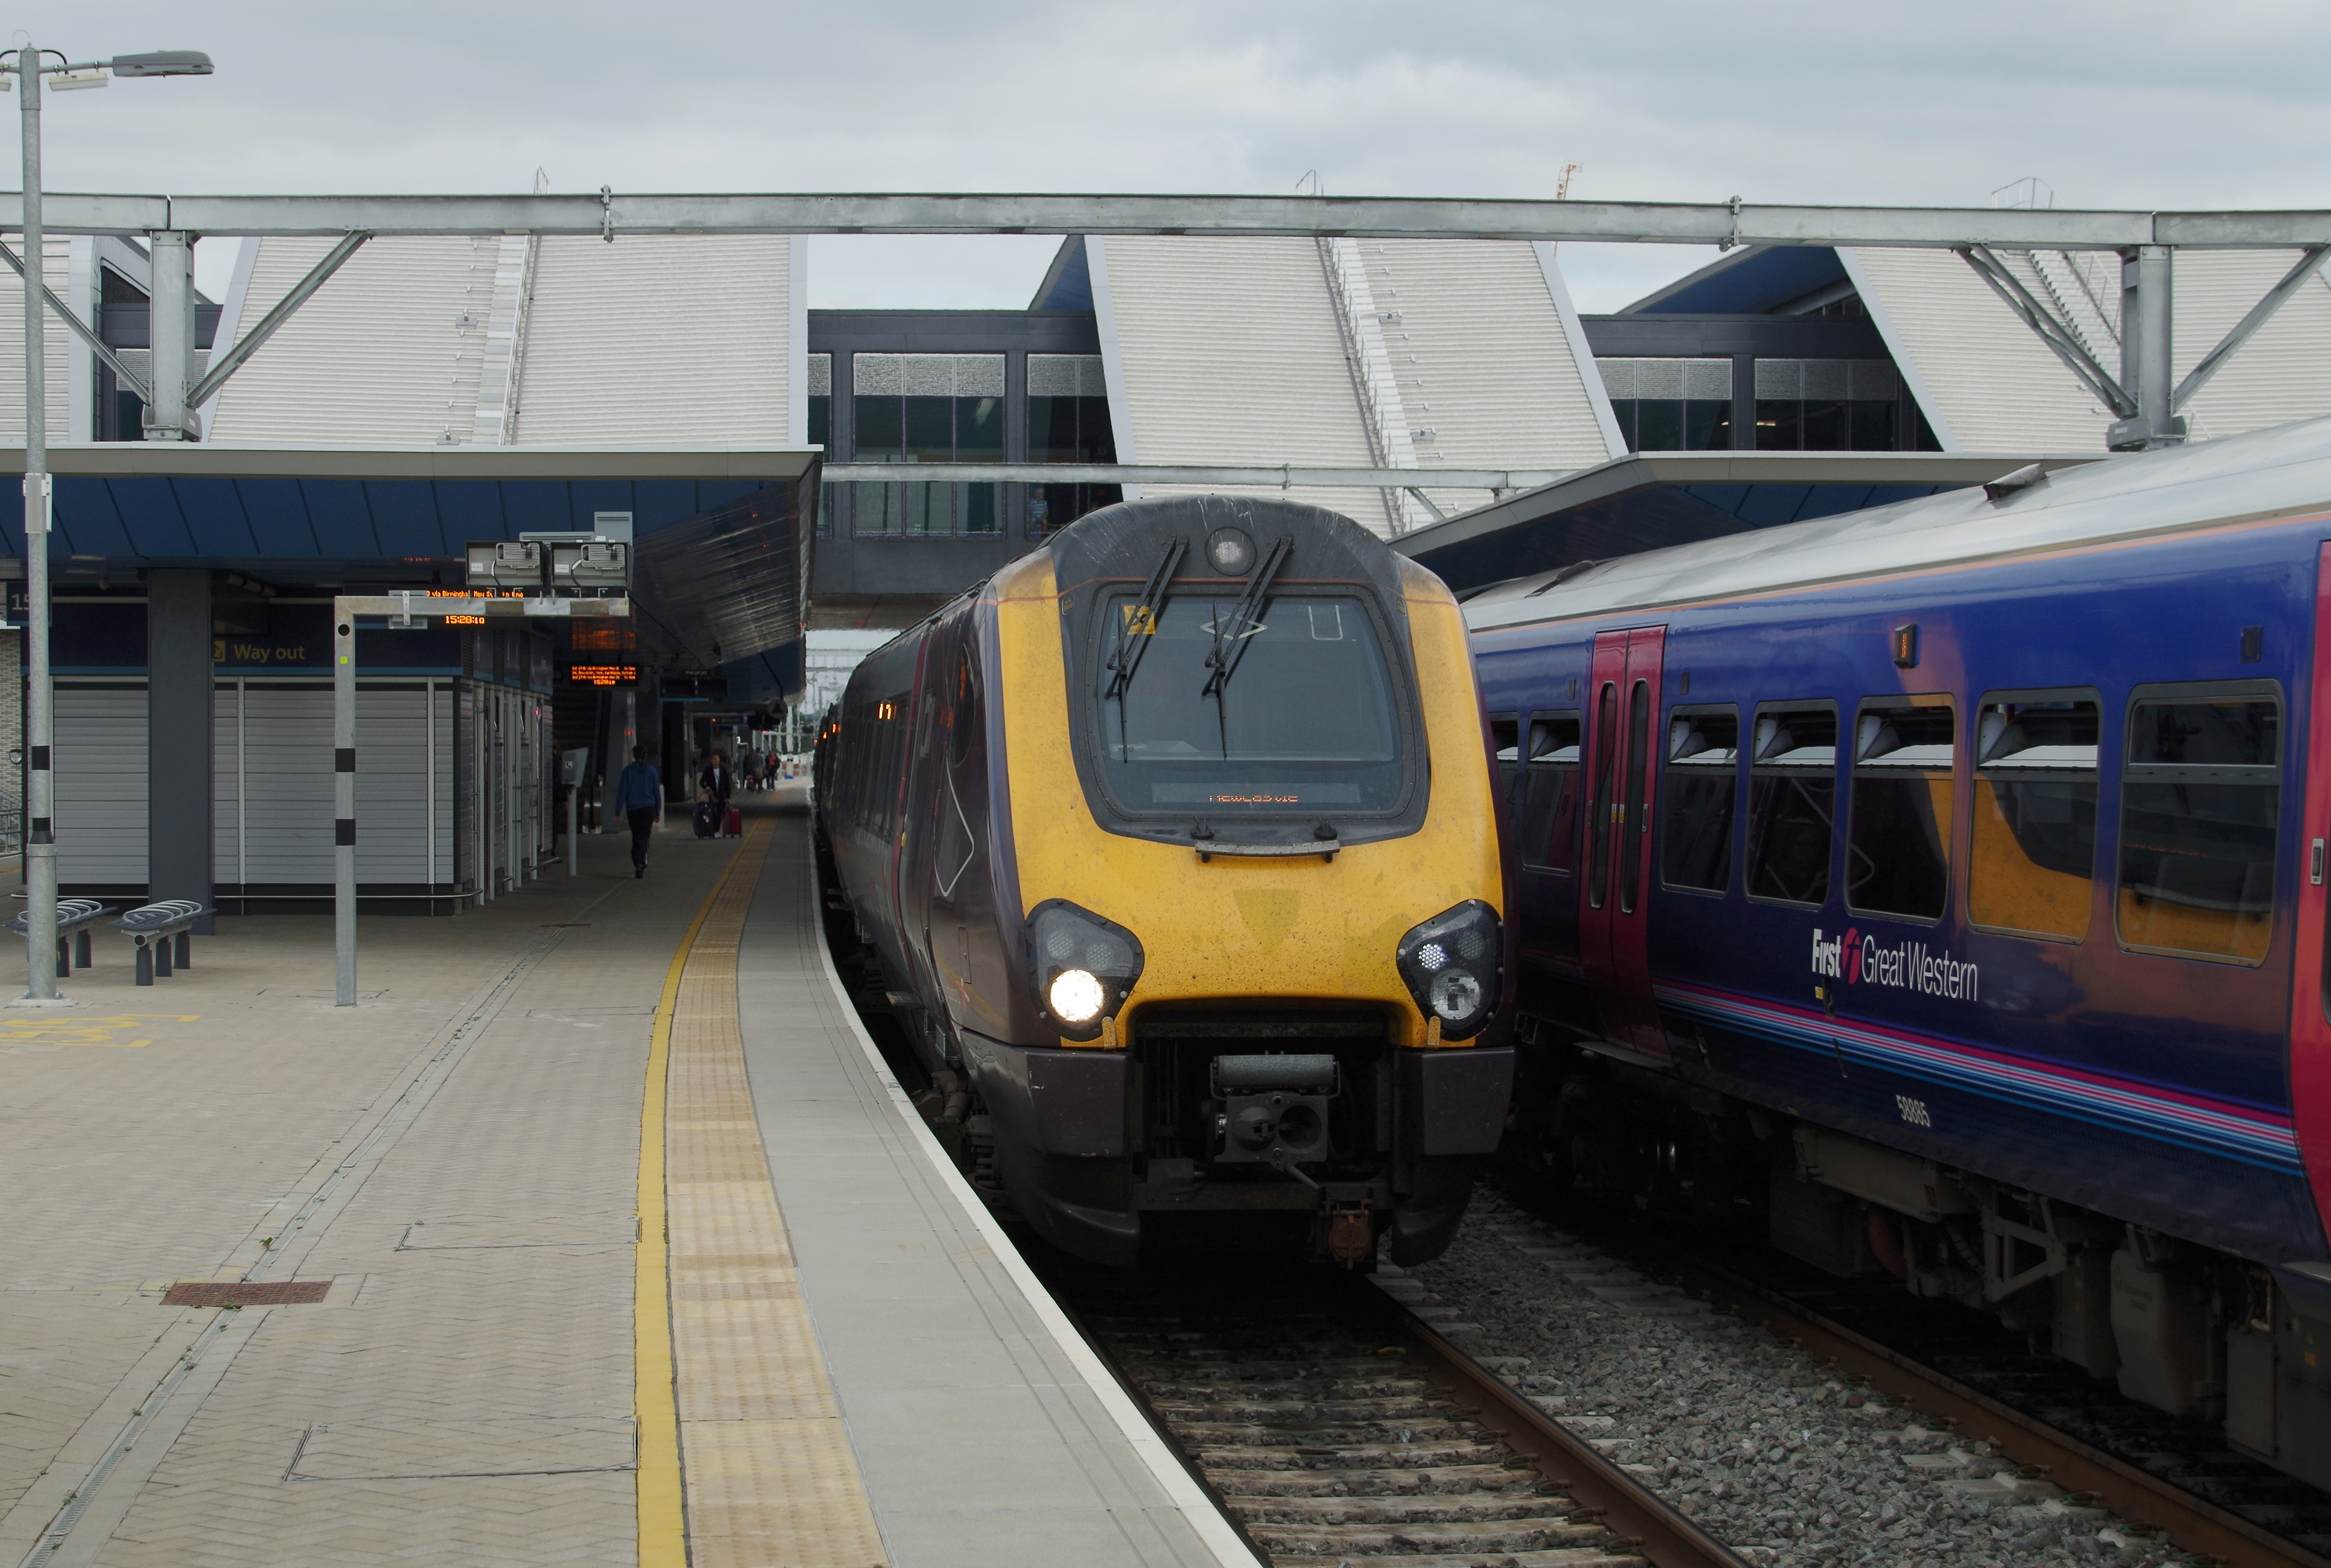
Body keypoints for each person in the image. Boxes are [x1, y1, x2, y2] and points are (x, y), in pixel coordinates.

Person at [612, 744, 663, 878]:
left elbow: (622, 792)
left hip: (633, 809)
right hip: (648, 808)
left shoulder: (628, 771)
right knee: (644, 837)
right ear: (645, 755)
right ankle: (641, 863)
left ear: (634, 756)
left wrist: (617, 812)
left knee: (637, 837)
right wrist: (658, 812)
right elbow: (657, 793)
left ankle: (638, 863)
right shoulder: (652, 771)